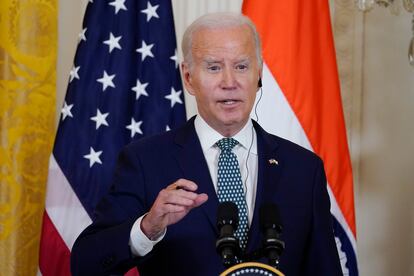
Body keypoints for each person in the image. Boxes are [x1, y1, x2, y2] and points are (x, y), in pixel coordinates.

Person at [70, 12, 342, 276]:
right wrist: (146, 229)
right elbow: (86, 263)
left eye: (242, 66)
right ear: (188, 77)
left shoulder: (304, 169)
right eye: (214, 67)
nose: (230, 82)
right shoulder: (145, 161)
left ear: (258, 74)